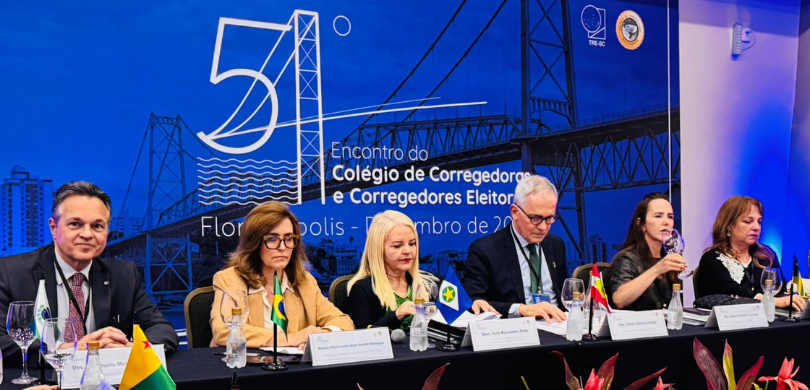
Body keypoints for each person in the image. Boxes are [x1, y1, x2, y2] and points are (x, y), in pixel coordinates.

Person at [0, 181, 179, 368]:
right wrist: (69, 351)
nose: (87, 234)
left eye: (97, 226)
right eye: (75, 224)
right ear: (54, 228)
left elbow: (162, 330)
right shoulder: (11, 273)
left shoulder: (124, 274)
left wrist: (130, 350)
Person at [210, 202, 353, 349]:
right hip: (246, 368)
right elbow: (223, 331)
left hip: (293, 370)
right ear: (254, 243)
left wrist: (319, 336)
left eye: (289, 238)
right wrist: (292, 338)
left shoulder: (305, 281)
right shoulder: (230, 279)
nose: (283, 247)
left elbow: (344, 322)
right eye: (272, 239)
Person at [340, 211, 497, 329]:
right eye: (397, 245)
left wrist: (474, 306)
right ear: (378, 249)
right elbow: (363, 342)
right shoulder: (362, 290)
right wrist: (396, 315)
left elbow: (461, 321)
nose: (408, 251)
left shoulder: (432, 284)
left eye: (412, 243)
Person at [463, 175, 568, 322]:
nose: (544, 227)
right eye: (535, 218)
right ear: (514, 212)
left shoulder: (555, 244)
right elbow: (474, 302)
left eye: (549, 218)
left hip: (558, 327)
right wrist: (520, 309)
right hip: (515, 332)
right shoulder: (485, 250)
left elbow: (564, 295)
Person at [695, 196, 806, 311]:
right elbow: (730, 290)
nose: (756, 227)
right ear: (729, 226)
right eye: (748, 221)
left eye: (759, 221)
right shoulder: (712, 258)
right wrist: (771, 300)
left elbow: (780, 291)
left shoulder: (767, 255)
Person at [610, 193, 686, 311]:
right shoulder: (627, 258)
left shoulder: (668, 257)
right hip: (637, 326)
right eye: (658, 216)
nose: (666, 222)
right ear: (641, 225)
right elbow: (619, 300)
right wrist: (657, 269)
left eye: (670, 217)